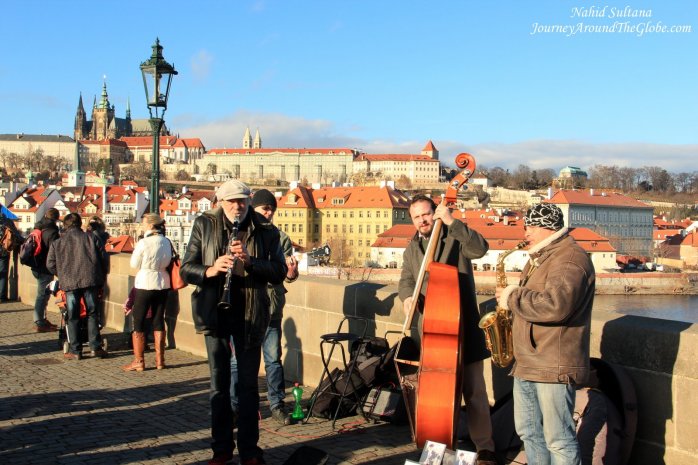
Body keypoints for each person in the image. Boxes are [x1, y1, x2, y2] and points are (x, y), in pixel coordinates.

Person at [180, 179, 286, 465]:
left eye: (242, 200)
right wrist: (212, 269)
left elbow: (279, 270)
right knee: (219, 386)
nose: (238, 206)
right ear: (219, 202)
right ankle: (221, 450)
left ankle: (250, 451)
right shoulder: (205, 224)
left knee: (248, 387)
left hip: (250, 314)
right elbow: (186, 269)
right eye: (231, 202)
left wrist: (251, 263)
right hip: (215, 312)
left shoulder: (265, 229)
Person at [398, 194, 497, 465]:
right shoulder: (412, 248)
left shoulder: (453, 235)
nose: (422, 220)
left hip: (462, 326)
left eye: (426, 214)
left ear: (436, 211)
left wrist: (452, 221)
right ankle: (438, 448)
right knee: (437, 396)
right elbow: (406, 279)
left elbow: (480, 249)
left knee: (475, 392)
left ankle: (485, 448)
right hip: (431, 333)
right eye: (416, 216)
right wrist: (407, 297)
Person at [495, 203, 595, 465]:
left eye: (529, 226)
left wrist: (513, 296)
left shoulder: (570, 259)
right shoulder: (542, 257)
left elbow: (556, 306)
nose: (525, 232)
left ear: (546, 228)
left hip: (553, 363)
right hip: (529, 362)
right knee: (530, 433)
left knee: (558, 439)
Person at [230, 189, 299, 426]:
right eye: (264, 209)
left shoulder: (282, 238)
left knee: (273, 359)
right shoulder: (241, 232)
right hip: (247, 307)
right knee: (237, 361)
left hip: (271, 307)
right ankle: (235, 406)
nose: (268, 213)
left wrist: (291, 274)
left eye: (271, 209)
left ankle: (277, 404)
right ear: (253, 209)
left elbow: (285, 274)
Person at [47, 213, 109, 360]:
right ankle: (95, 347)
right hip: (91, 281)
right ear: (80, 224)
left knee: (73, 316)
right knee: (92, 314)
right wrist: (100, 275)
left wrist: (61, 274)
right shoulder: (91, 238)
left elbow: (50, 264)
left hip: (69, 283)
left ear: (66, 226)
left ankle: (76, 350)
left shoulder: (58, 242)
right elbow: (103, 259)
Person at [122, 213, 172, 372]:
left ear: (151, 225)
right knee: (158, 319)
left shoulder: (144, 242)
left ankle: (139, 360)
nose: (142, 226)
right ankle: (160, 360)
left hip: (145, 282)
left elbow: (134, 263)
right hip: (163, 282)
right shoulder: (166, 241)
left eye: (144, 223)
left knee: (139, 320)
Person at [30, 208, 61, 332]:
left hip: (36, 265)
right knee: (42, 295)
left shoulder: (39, 227)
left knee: (42, 294)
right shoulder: (52, 231)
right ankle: (39, 322)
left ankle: (42, 319)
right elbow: (55, 251)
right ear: (56, 218)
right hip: (45, 267)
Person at [0, 212, 20, 302]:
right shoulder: (7, 221)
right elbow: (17, 235)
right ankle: (2, 296)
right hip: (4, 250)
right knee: (3, 273)